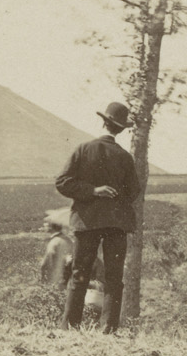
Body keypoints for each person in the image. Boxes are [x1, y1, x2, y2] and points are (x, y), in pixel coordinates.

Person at [55, 100, 141, 333]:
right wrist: (113, 199)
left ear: (103, 123)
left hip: (87, 222)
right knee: (114, 277)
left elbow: (62, 183)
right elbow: (134, 192)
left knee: (79, 274)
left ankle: (70, 327)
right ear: (121, 129)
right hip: (116, 224)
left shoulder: (84, 149)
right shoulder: (125, 157)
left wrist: (93, 191)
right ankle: (109, 329)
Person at [37, 208, 75, 289]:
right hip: (66, 280)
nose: (44, 225)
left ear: (51, 225)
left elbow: (46, 264)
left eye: (46, 223)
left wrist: (42, 280)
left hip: (55, 281)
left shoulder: (54, 242)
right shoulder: (67, 240)